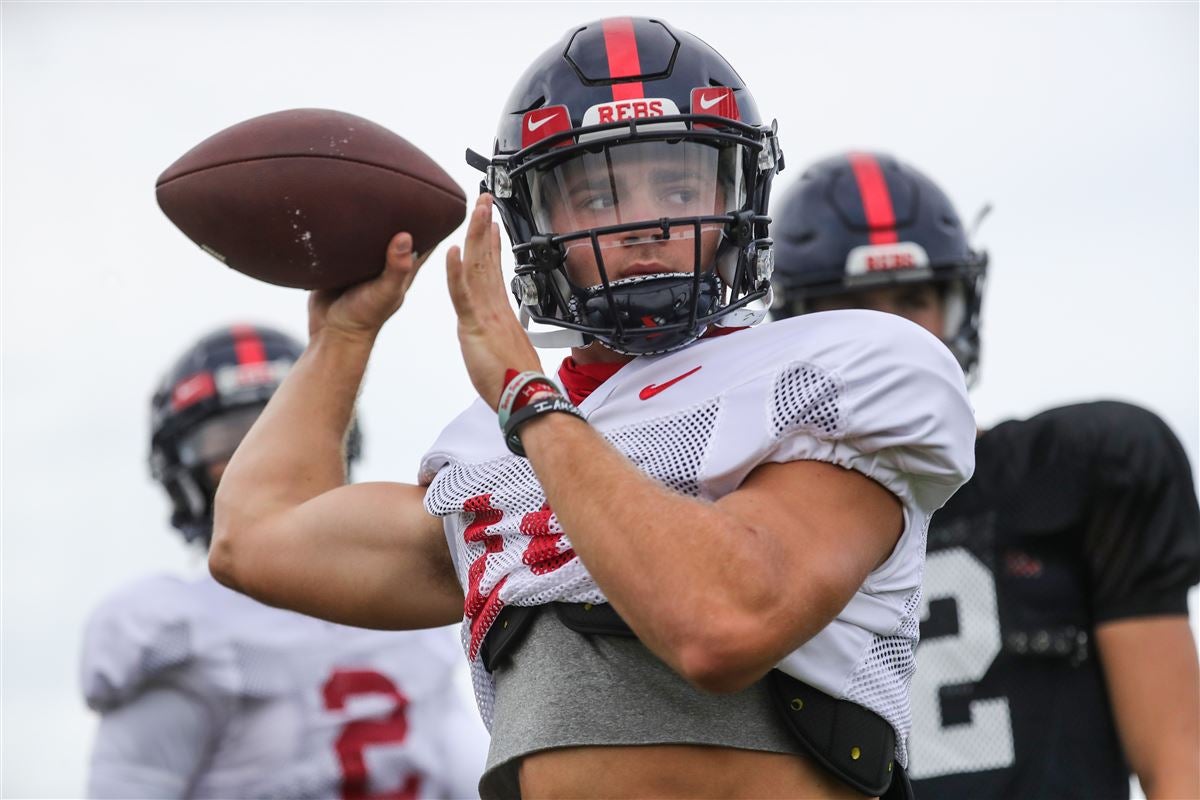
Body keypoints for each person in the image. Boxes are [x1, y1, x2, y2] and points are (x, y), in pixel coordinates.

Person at [209, 19, 977, 799]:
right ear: (532, 223)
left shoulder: (831, 370)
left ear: (736, 196)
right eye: (598, 196)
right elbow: (255, 539)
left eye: (678, 189)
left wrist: (530, 401)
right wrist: (343, 337)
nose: (644, 224)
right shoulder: (487, 449)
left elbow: (722, 626)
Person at [769, 151, 1200, 800]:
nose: (893, 338)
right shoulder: (758, 516)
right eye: (854, 309)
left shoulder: (1081, 471)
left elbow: (1178, 765)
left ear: (958, 309)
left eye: (913, 300)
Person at [80, 323, 486, 800]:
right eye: (228, 436)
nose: (259, 457)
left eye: (282, 426)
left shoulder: (406, 604)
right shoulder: (180, 633)